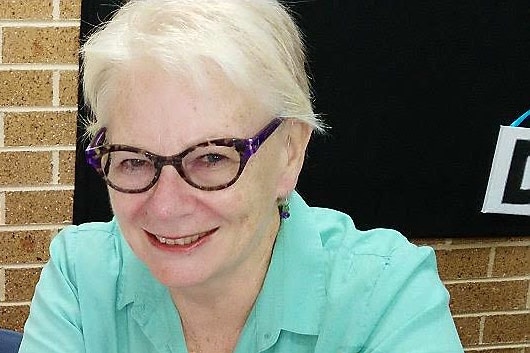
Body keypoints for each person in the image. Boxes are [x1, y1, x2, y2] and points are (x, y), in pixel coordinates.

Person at [19, 1, 464, 352]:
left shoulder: (386, 297)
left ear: (290, 152)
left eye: (213, 158)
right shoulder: (81, 276)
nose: (167, 206)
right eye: (134, 160)